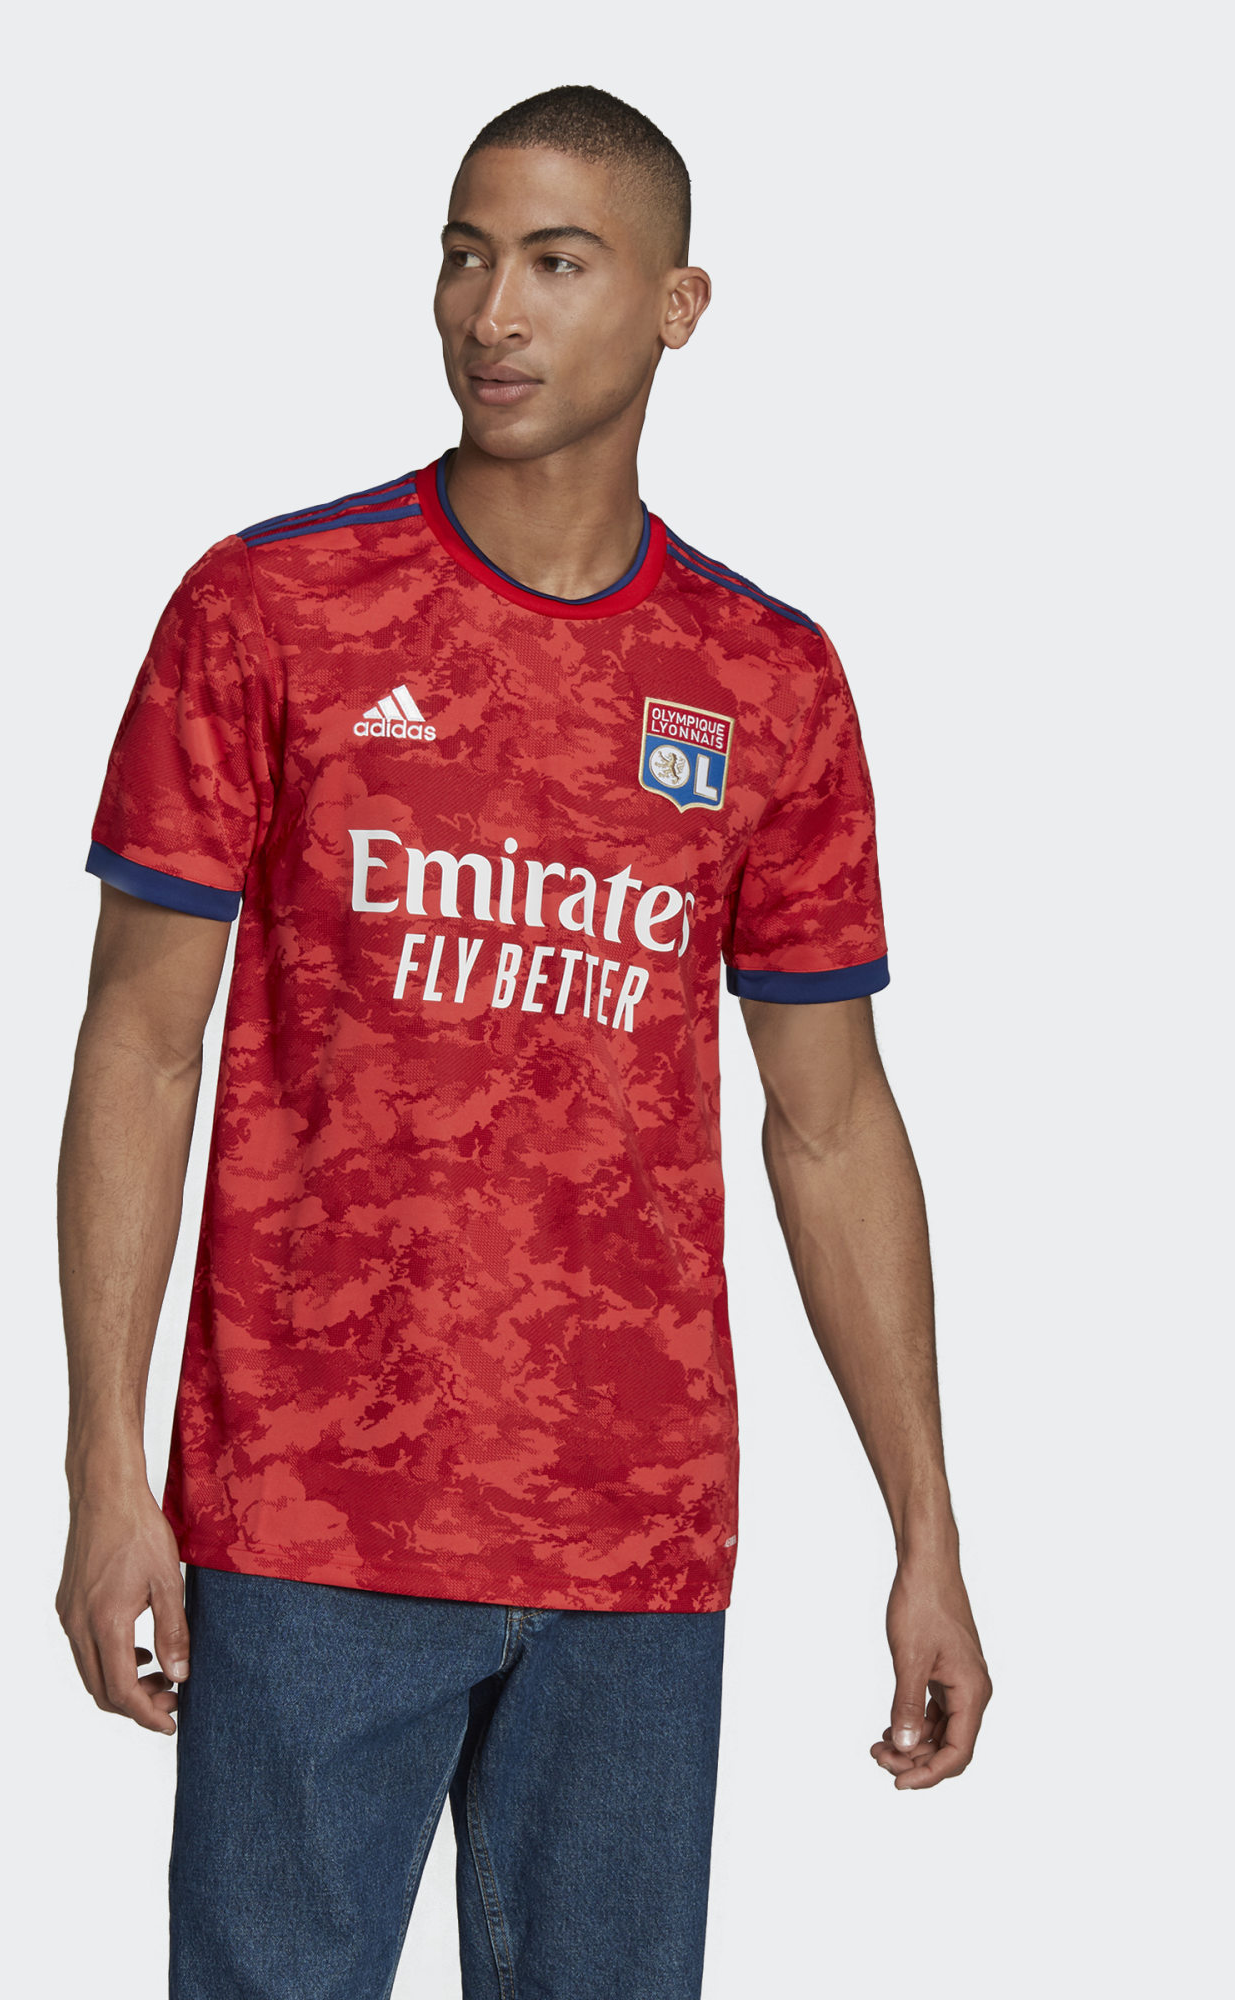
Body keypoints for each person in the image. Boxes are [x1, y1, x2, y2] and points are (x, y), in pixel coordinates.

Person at [56, 83, 990, 2000]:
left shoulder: (768, 679)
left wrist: (927, 1528)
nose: (494, 311)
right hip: (309, 1517)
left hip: (636, 1546)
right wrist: (102, 1466)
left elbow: (830, 1123)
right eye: (466, 257)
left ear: (678, 304)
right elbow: (140, 1046)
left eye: (559, 263)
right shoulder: (272, 610)